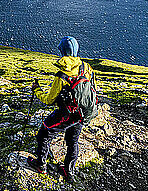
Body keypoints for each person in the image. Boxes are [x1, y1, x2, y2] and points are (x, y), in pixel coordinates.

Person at [27, 36, 97, 182]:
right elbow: (93, 89)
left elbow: (49, 100)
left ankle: (40, 165)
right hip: (83, 112)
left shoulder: (62, 75)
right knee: (73, 140)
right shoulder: (87, 68)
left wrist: (36, 90)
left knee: (44, 133)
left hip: (67, 113)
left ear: (62, 51)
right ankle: (68, 171)